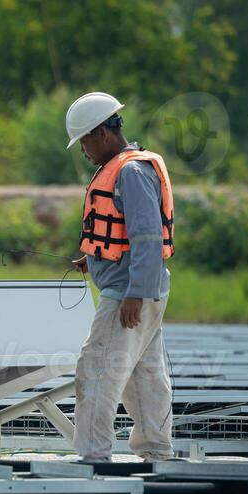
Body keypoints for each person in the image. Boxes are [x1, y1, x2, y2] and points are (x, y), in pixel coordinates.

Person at [63, 91, 175, 463]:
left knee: (96, 370)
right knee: (145, 377)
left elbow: (147, 237)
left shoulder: (129, 172)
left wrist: (134, 294)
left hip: (129, 295)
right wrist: (93, 258)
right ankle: (156, 452)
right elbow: (127, 237)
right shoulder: (130, 168)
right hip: (142, 290)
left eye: (84, 142)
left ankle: (93, 457)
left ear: (101, 133)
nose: (84, 151)